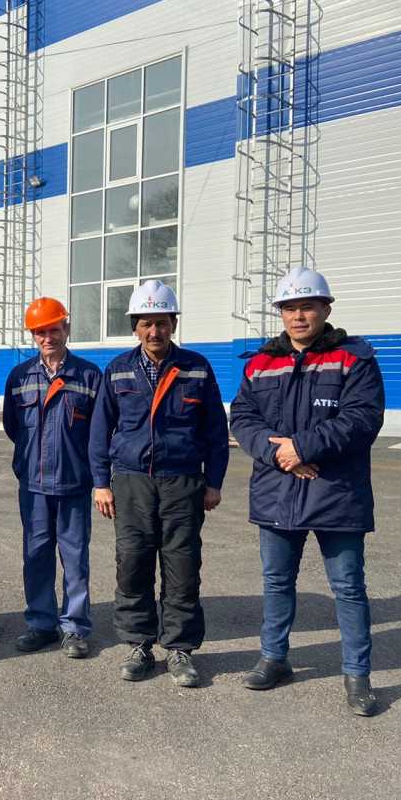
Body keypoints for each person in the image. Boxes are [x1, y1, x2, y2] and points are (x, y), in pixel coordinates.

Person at [229, 267, 385, 717]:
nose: (298, 316)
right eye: (290, 308)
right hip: (277, 490)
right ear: (280, 313)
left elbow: (362, 418)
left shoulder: (354, 358)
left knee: (348, 587)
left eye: (307, 307)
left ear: (325, 309)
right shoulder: (260, 364)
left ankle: (357, 675)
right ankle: (274, 659)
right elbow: (242, 418)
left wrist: (302, 447)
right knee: (277, 582)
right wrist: (278, 453)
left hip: (336, 493)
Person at [89, 280, 228, 687]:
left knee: (182, 567)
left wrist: (214, 481)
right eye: (147, 323)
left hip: (182, 483)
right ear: (135, 327)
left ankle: (180, 649)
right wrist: (100, 483)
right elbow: (100, 431)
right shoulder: (118, 369)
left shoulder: (196, 367)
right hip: (132, 482)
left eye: (162, 323)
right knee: (132, 563)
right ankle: (139, 645)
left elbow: (215, 431)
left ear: (173, 324)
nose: (155, 331)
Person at [3, 298, 102, 658]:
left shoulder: (89, 376)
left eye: (54, 329)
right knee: (36, 556)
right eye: (40, 332)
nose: (48, 337)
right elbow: (14, 427)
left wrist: (97, 478)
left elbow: (99, 433)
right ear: (33, 336)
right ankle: (41, 624)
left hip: (74, 484)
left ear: (66, 329)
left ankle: (74, 628)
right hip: (33, 486)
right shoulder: (20, 377)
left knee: (75, 559)